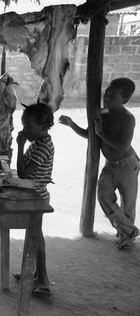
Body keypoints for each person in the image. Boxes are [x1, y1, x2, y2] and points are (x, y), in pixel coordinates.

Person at [59, 77, 139, 250]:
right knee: (103, 197)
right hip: (110, 165)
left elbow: (123, 146)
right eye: (106, 94)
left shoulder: (128, 118)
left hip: (127, 165)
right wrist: (71, 124)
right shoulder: (102, 113)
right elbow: (91, 135)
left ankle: (126, 238)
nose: (106, 98)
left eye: (112, 96)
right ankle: (130, 231)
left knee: (128, 204)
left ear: (124, 100)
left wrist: (101, 133)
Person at [13, 102, 54, 297]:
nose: (24, 130)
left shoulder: (42, 147)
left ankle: (43, 279)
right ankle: (34, 274)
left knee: (36, 238)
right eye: (23, 126)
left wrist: (20, 147)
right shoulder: (39, 143)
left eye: (28, 126)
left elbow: (22, 173)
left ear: (43, 127)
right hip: (34, 193)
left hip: (35, 197)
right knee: (36, 236)